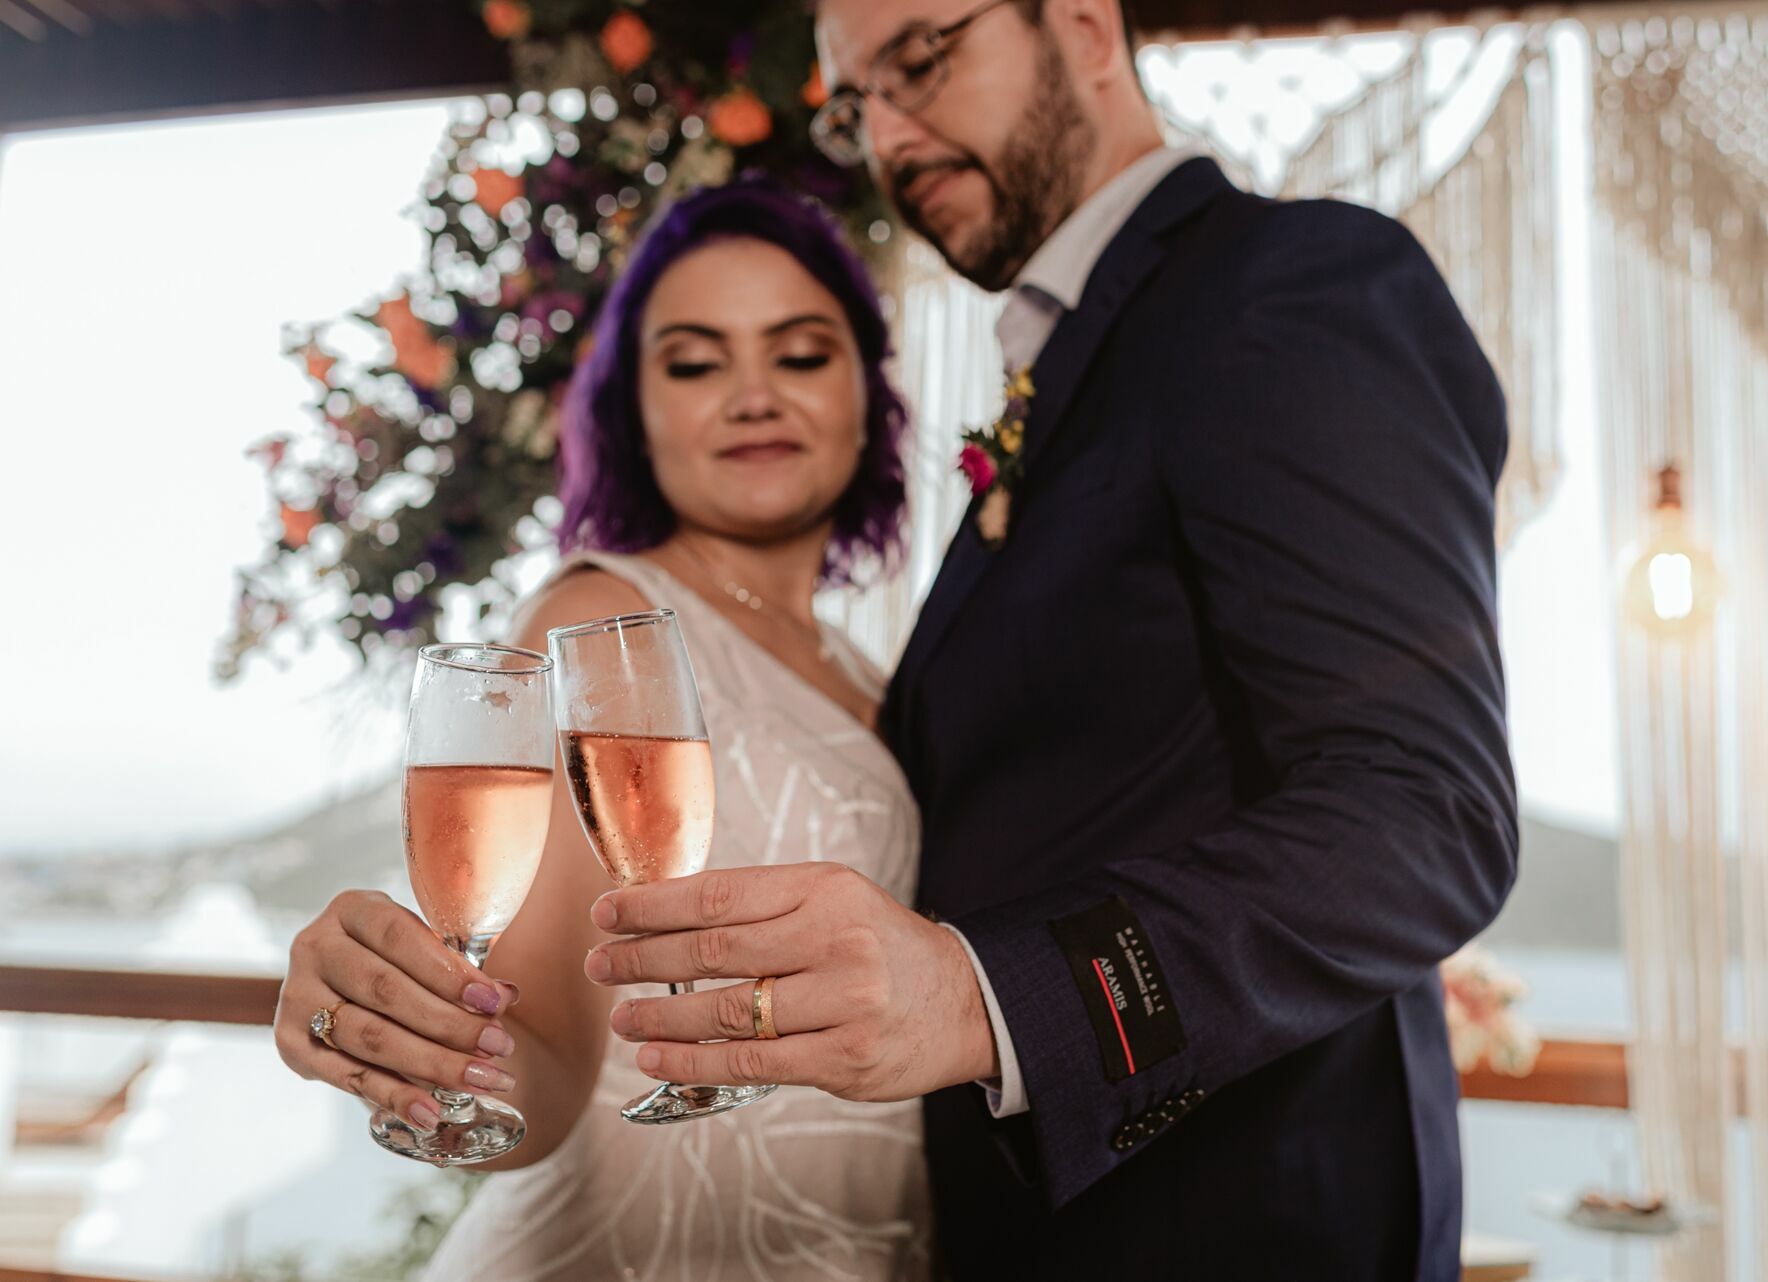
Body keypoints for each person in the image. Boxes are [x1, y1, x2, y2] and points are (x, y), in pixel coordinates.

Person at [578, 1, 1519, 1278]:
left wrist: (982, 998)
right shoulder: (1083, 365)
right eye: (854, 106)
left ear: (1081, 26)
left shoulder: (1284, 286)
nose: (889, 136)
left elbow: (1428, 815)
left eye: (920, 58)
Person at [272, 177, 933, 1280]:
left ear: (866, 389)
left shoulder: (866, 666)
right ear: (633, 411)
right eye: (695, 363)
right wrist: (423, 1050)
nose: (754, 395)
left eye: (801, 353)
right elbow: (541, 1056)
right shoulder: (602, 624)